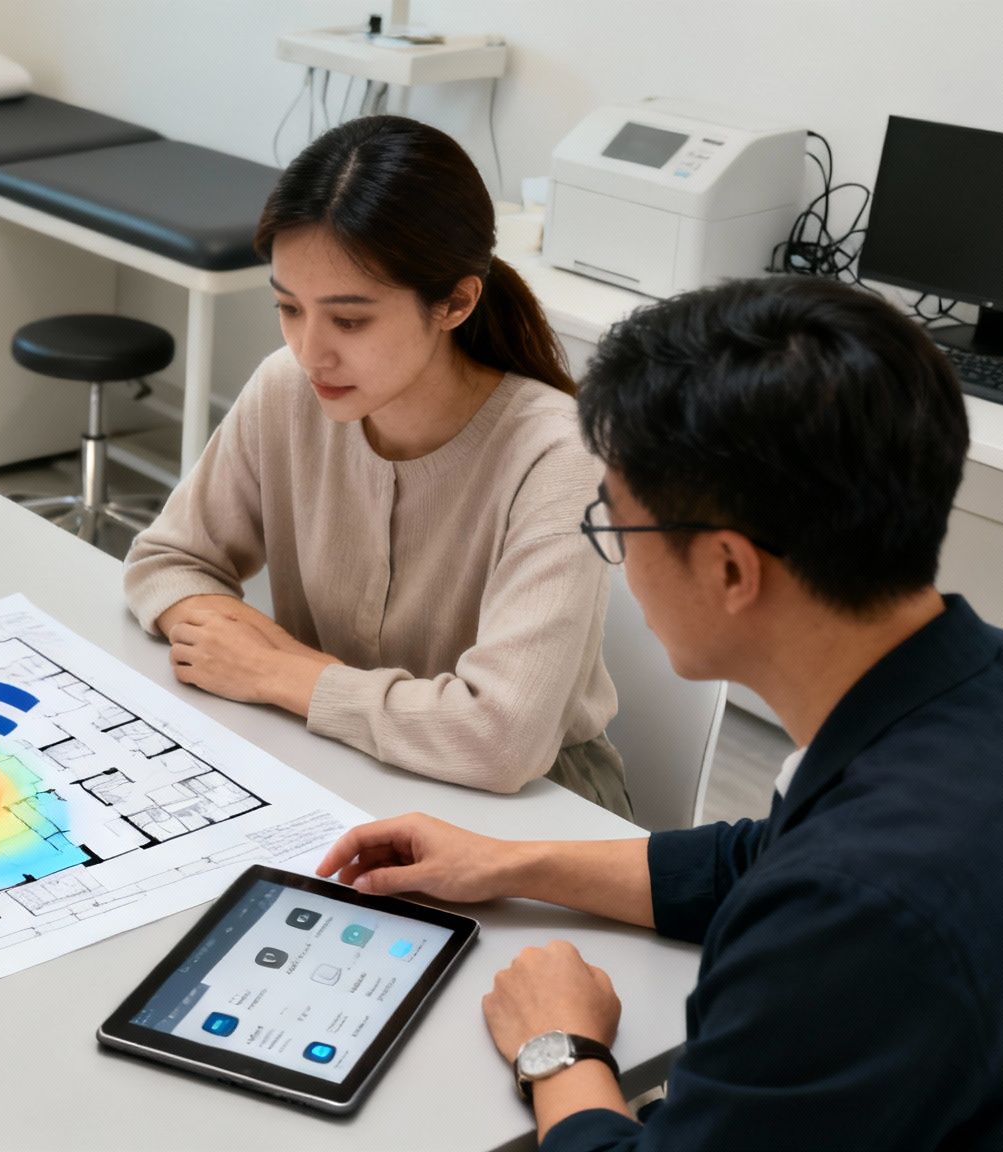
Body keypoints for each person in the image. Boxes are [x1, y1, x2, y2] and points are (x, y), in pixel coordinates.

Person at [318, 276, 1003, 1148]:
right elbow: (764, 858)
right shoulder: (1001, 675)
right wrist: (510, 863)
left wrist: (560, 1049)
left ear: (732, 570)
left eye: (618, 525)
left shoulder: (848, 920)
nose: (616, 556)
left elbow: (818, 894)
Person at [124, 115, 627, 815]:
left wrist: (279, 673)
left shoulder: (556, 455)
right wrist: (275, 664)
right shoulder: (286, 390)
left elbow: (502, 739)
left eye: (350, 320)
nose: (310, 352)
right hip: (336, 757)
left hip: (533, 805)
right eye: (288, 308)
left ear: (455, 301)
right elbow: (168, 559)